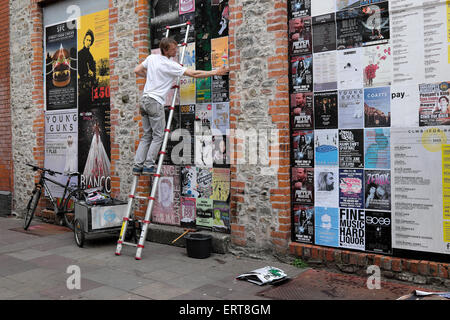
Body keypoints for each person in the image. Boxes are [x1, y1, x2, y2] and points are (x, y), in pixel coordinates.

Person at [133, 38, 229, 175]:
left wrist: (150, 78)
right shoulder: (170, 65)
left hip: (144, 101)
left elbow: (137, 70)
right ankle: (148, 165)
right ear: (165, 50)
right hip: (155, 102)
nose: (176, 50)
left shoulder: (152, 58)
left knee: (147, 135)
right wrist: (215, 72)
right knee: (158, 136)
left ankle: (137, 166)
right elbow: (194, 74)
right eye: (173, 49)